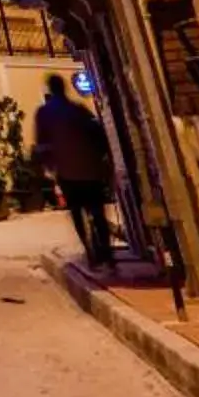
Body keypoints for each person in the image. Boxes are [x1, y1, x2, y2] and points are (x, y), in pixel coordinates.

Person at [32, 73, 116, 266]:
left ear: (50, 90)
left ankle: (90, 251)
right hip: (91, 169)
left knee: (78, 212)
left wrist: (48, 168)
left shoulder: (45, 113)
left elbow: (42, 143)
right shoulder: (78, 109)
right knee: (97, 212)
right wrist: (102, 159)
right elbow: (98, 134)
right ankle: (106, 252)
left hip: (67, 172)